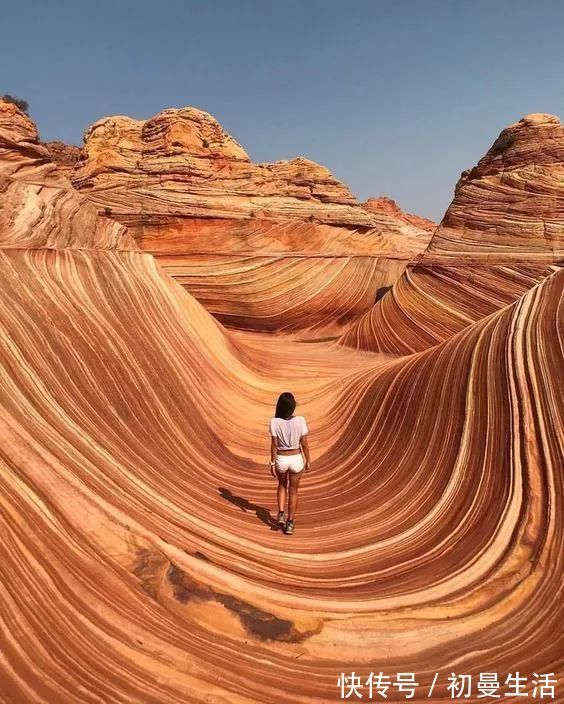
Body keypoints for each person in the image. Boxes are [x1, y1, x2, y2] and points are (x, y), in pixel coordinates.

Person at [268, 392, 310, 535]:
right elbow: (304, 443)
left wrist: (272, 463)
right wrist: (308, 460)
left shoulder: (274, 422)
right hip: (296, 458)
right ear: (292, 407)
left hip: (281, 458)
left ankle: (281, 513)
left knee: (281, 485)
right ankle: (290, 524)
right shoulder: (301, 420)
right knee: (293, 491)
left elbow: (274, 444)